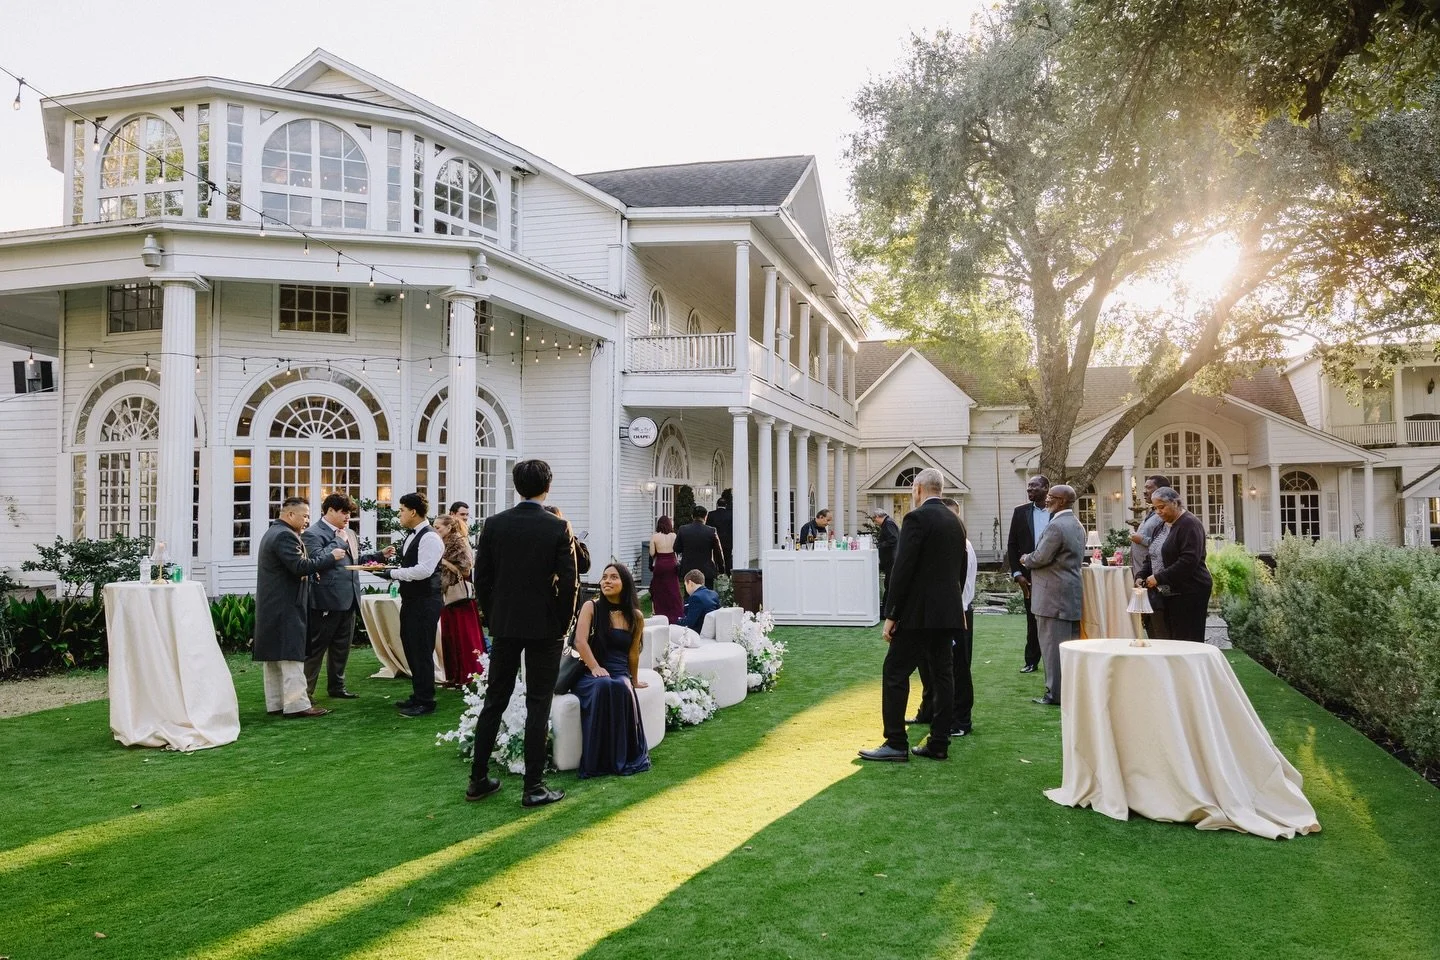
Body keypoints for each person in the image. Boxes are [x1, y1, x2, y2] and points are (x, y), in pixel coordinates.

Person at [467, 459, 578, 808]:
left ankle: (478, 779)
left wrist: (492, 616)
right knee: (537, 703)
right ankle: (533, 786)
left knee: (494, 700)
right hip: (545, 626)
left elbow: (480, 578)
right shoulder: (557, 527)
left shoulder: (495, 525)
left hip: (505, 624)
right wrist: (563, 624)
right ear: (548, 486)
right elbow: (571, 583)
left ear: (517, 487)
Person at [859, 468, 968, 763]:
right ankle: (939, 742)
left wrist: (892, 614)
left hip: (919, 614)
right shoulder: (955, 521)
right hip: (947, 612)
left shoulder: (916, 518)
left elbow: (902, 569)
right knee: (943, 675)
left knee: (895, 671)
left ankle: (895, 742)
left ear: (918, 488)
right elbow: (961, 569)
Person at [254, 497, 346, 718]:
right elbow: (299, 566)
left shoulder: (272, 533)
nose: (307, 520)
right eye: (304, 515)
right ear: (290, 515)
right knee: (291, 656)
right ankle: (297, 705)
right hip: (286, 605)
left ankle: (276, 703)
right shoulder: (285, 535)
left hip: (273, 605)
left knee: (275, 658)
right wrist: (331, 556)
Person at [367, 492, 444, 717]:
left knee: (421, 649)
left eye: (401, 510)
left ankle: (426, 701)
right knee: (411, 646)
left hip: (426, 601)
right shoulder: (412, 535)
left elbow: (424, 571)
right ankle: (418, 694)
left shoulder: (429, 537)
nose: (399, 514)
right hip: (412, 600)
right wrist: (387, 570)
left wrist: (392, 573)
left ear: (412, 511)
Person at [571, 562, 652, 779]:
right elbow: (580, 641)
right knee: (604, 683)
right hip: (589, 671)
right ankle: (597, 762)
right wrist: (595, 666)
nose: (607, 581)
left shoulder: (635, 616)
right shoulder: (591, 607)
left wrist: (633, 680)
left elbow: (633, 653)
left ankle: (622, 758)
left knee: (621, 686)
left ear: (624, 583)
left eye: (613, 577)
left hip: (619, 671)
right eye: (604, 577)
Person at [907, 497, 977, 737]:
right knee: (927, 667)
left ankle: (961, 720)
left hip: (958, 612)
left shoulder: (963, 545)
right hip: (938, 613)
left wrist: (958, 612)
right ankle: (928, 710)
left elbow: (963, 584)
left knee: (957, 668)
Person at [1020, 484, 1085, 707]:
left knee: (1052, 647)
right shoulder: (1077, 524)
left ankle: (1054, 694)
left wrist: (1025, 559)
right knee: (1069, 646)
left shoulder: (1056, 526)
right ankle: (1069, 690)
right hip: (1070, 594)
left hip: (1052, 596)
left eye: (1051, 497)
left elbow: (1040, 557)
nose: (1046, 500)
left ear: (1062, 501)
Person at [301, 493, 363, 701]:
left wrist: (380, 556)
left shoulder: (350, 533)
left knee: (341, 648)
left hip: (350, 598)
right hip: (325, 599)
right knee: (316, 649)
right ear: (329, 511)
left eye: (349, 513)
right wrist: (338, 540)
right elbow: (316, 560)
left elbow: (355, 561)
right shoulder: (312, 533)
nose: (348, 517)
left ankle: (337, 686)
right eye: (344, 512)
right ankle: (305, 692)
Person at [1138, 486, 1214, 642]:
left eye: (1162, 507)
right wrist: (1141, 575)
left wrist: (1159, 577)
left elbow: (1188, 561)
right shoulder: (1160, 526)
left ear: (1176, 503)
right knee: (1168, 639)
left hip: (1190, 591)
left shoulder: (1190, 524)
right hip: (1167, 592)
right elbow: (1152, 554)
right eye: (1155, 508)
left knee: (1186, 640)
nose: (1158, 512)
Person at [433, 514, 487, 687]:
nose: (435, 530)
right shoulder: (441, 543)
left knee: (464, 638)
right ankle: (454, 676)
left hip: (459, 598)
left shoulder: (459, 543)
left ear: (449, 527)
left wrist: (443, 562)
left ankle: (468, 675)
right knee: (450, 638)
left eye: (438, 527)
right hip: (447, 595)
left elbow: (465, 569)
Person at [1007, 475, 1050, 675]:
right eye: (1029, 486)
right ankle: (1031, 660)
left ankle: (1055, 660)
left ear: (1046, 488)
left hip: (1053, 573)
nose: (1029, 489)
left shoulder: (1057, 512)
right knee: (1032, 619)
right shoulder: (1020, 512)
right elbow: (1012, 545)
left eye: (1034, 486)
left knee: (1052, 619)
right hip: (1028, 576)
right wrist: (1017, 573)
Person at [1129, 475, 1170, 637]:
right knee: (1148, 621)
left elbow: (1165, 540)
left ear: (1160, 490)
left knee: (1158, 622)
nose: (1144, 492)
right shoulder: (1151, 513)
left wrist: (1141, 539)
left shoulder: (1163, 515)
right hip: (1143, 573)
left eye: (1148, 488)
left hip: (1156, 577)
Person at [675, 505, 724, 589]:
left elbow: (676, 548)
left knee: (689, 596)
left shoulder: (683, 529)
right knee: (707, 596)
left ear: (692, 516)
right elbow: (718, 552)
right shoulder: (711, 531)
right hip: (707, 570)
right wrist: (721, 569)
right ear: (705, 517)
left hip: (688, 570)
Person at [648, 516, 684, 623]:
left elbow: (652, 553)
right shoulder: (674, 535)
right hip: (671, 563)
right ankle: (676, 613)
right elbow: (678, 550)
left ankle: (659, 612)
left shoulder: (655, 537)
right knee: (673, 589)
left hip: (660, 564)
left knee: (659, 589)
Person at [871, 508, 900, 609]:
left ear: (878, 517)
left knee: (889, 584)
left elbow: (893, 539)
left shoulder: (888, 524)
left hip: (891, 559)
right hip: (892, 558)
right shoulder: (890, 522)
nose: (875, 523)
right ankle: (886, 609)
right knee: (889, 584)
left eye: (874, 520)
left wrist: (879, 545)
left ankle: (886, 610)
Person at [707, 490, 734, 574]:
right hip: (728, 540)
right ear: (726, 505)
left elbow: (708, 528)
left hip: (715, 540)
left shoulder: (711, 514)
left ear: (717, 505)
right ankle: (728, 574)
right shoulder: (731, 514)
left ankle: (719, 573)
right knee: (727, 557)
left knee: (716, 557)